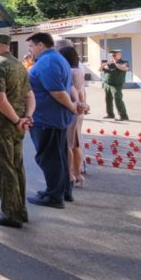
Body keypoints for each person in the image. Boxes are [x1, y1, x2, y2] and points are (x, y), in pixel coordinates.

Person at [25, 32, 86, 209]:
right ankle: (62, 190)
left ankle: (54, 195)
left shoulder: (47, 62)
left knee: (49, 157)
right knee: (59, 155)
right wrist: (73, 105)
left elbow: (57, 91)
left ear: (41, 45)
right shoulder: (57, 59)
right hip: (55, 117)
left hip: (47, 118)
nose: (31, 51)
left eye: (31, 47)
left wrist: (73, 106)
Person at [0, 33, 35, 228]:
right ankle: (20, 210)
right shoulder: (19, 65)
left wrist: (15, 120)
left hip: (2, 126)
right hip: (19, 125)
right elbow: (30, 96)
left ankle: (11, 214)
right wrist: (26, 118)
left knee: (3, 168)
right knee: (16, 165)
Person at [58, 44, 89, 187]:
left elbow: (71, 91)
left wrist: (76, 104)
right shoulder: (79, 70)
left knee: (67, 144)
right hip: (79, 109)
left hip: (71, 108)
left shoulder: (69, 72)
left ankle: (69, 174)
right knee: (76, 143)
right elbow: (82, 91)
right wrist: (83, 104)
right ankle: (78, 173)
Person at [101, 49, 130, 121]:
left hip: (116, 84)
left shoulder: (124, 62)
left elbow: (125, 68)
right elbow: (101, 69)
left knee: (118, 99)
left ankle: (123, 116)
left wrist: (115, 64)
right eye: (112, 55)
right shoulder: (110, 63)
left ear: (120, 55)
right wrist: (103, 65)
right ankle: (110, 114)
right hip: (107, 83)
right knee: (108, 100)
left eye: (114, 55)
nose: (113, 57)